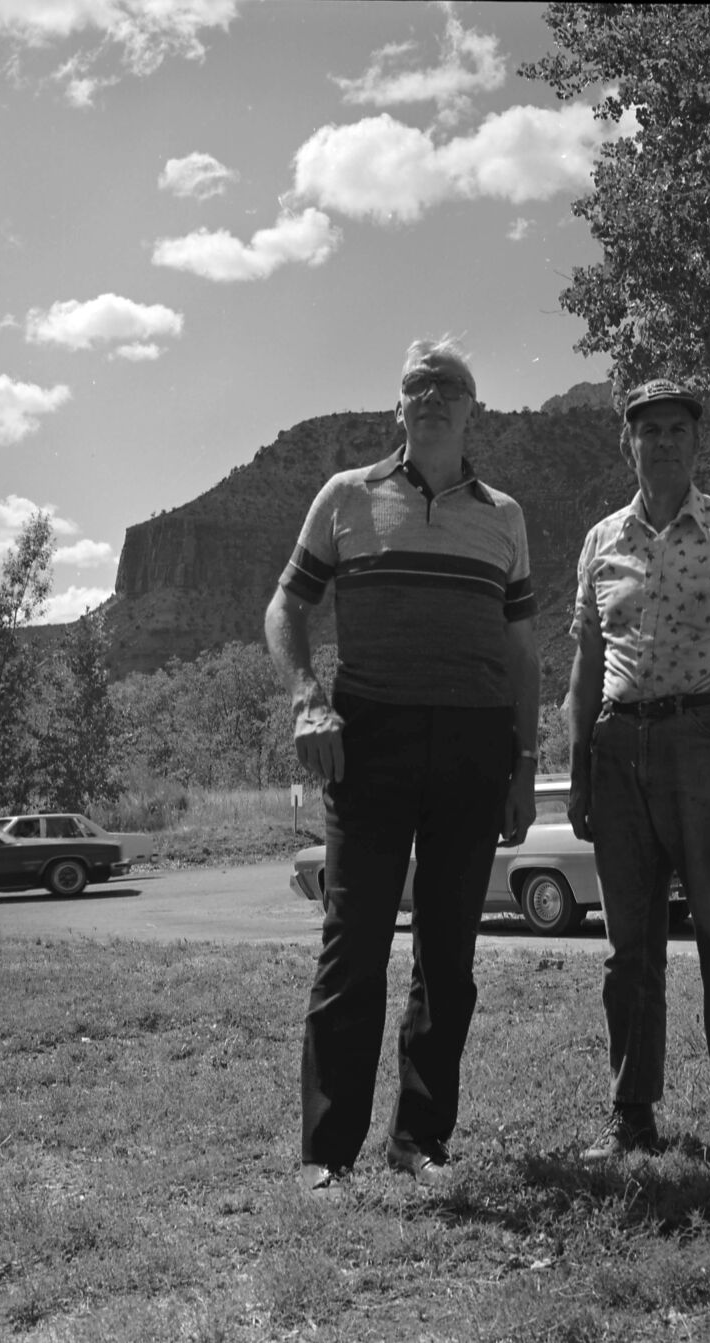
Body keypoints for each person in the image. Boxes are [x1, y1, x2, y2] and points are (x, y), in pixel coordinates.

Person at [265, 337, 540, 1195]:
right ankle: (326, 1152)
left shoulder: (504, 513)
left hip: (472, 741)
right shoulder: (346, 497)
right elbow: (286, 605)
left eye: (448, 386)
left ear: (472, 409)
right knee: (354, 947)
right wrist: (309, 697)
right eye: (417, 385)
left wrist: (525, 764)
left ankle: (418, 1138)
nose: (432, 396)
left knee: (449, 954)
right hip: (369, 738)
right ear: (398, 406)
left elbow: (522, 651)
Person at [566, 377, 710, 1173]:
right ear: (625, 443)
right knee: (627, 946)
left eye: (676, 428)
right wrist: (576, 765)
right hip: (617, 748)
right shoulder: (601, 540)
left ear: (697, 442)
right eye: (647, 429)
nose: (662, 441)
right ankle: (631, 1116)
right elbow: (586, 658)